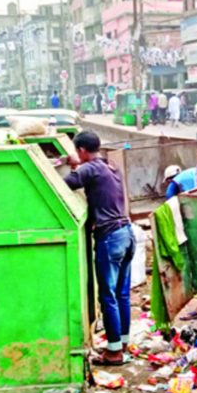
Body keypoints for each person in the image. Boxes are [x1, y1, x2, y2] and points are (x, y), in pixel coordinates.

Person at [64, 131, 134, 365]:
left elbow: (66, 185)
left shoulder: (90, 168)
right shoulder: (110, 166)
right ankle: (122, 343)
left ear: (82, 150)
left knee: (108, 296)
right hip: (127, 233)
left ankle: (114, 353)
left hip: (110, 238)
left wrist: (73, 167)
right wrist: (78, 165)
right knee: (122, 294)